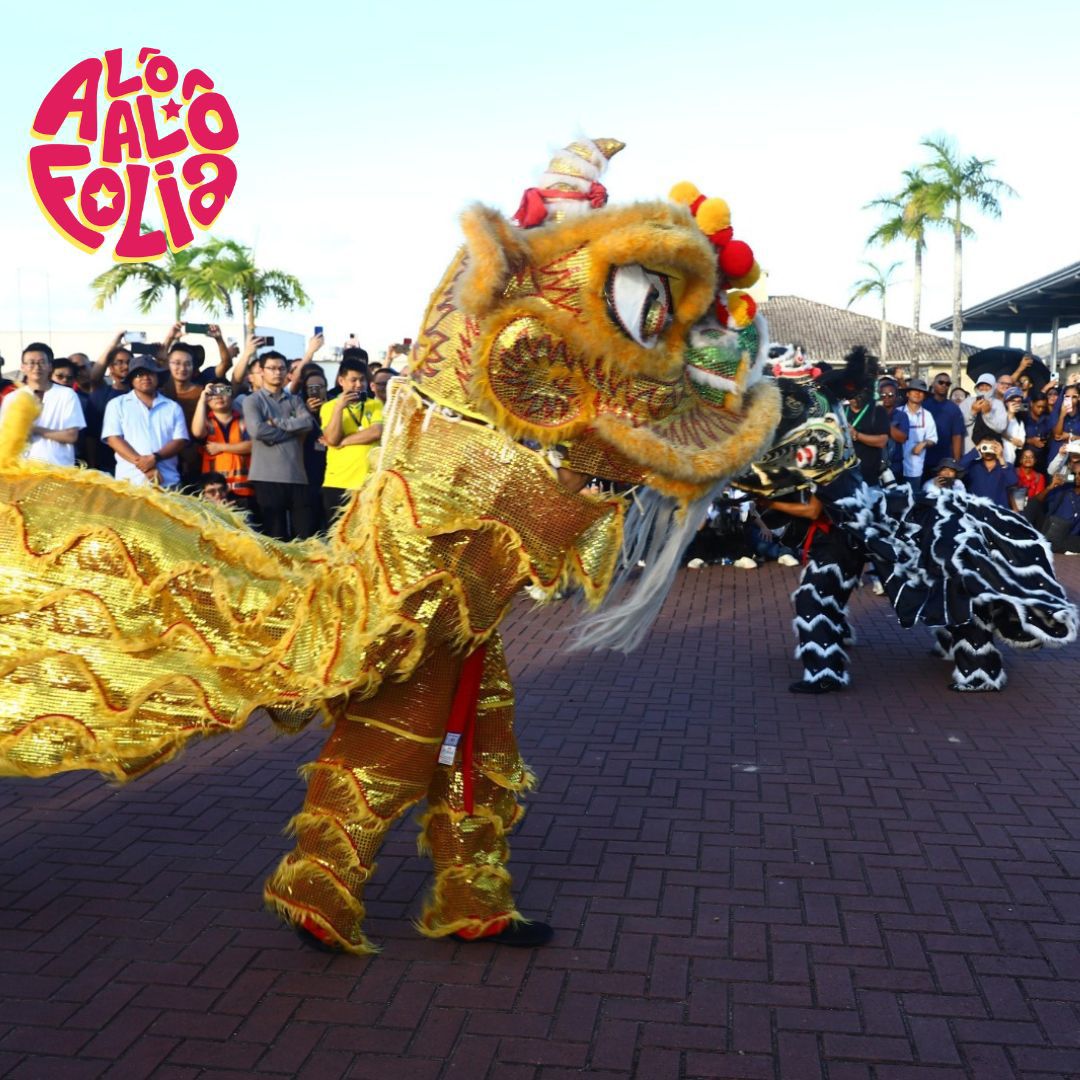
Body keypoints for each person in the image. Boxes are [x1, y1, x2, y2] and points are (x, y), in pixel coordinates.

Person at [242, 351, 315, 541]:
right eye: (272, 368)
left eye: (282, 368)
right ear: (262, 371)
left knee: (305, 536)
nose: (277, 373)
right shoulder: (252, 400)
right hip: (266, 477)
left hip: (297, 476)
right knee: (275, 537)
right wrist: (292, 430)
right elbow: (257, 431)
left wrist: (278, 423)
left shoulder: (295, 400)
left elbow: (307, 423)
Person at [101, 356, 189, 488]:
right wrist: (146, 467)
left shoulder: (172, 407)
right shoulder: (116, 404)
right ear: (131, 379)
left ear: (158, 377)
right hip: (129, 483)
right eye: (138, 374)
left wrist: (155, 458)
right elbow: (114, 439)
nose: (145, 377)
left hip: (168, 481)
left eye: (150, 373)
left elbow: (180, 440)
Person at [319, 357, 384, 523]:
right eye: (353, 380)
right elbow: (332, 438)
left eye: (362, 380)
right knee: (338, 540)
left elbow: (376, 432)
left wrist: (343, 442)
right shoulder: (329, 407)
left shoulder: (374, 405)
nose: (358, 384)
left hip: (367, 483)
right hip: (338, 482)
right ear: (341, 380)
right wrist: (339, 407)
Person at [0, 343, 85, 467]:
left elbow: (71, 436)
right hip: (22, 471)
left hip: (60, 470)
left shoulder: (67, 395)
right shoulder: (12, 398)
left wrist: (34, 429)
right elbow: (5, 435)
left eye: (41, 362)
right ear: (23, 367)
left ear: (50, 366)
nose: (36, 367)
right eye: (31, 363)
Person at [191, 382, 253, 509]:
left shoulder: (244, 421)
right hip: (214, 492)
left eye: (224, 391)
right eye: (213, 393)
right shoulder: (207, 423)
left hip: (243, 490)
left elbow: (253, 446)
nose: (219, 396)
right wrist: (202, 400)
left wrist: (220, 447)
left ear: (232, 395)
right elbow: (197, 432)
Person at [895, 377, 937, 484]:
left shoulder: (927, 415)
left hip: (915, 467)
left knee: (913, 498)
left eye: (921, 392)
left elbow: (933, 439)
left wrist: (923, 444)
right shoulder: (897, 413)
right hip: (895, 466)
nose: (918, 393)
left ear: (925, 396)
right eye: (914, 390)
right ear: (907, 394)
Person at [922, 372, 965, 473]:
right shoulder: (924, 405)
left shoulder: (954, 409)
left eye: (947, 384)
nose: (944, 385)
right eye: (941, 382)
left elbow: (957, 436)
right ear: (933, 384)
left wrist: (956, 461)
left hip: (945, 461)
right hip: (923, 457)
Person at [959, 437, 1018, 510]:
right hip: (976, 510)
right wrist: (976, 449)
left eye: (992, 447)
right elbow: (959, 467)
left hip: (998, 511)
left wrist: (1001, 457)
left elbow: (1012, 481)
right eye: (985, 447)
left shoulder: (1006, 466)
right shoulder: (973, 465)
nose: (988, 450)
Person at [1041, 447, 1080, 555]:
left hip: (1074, 545)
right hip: (1054, 542)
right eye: (1074, 474)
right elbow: (1039, 504)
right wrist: (1051, 487)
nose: (1077, 477)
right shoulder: (1061, 491)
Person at [959, 374, 1007, 452]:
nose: (984, 388)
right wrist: (973, 411)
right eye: (981, 385)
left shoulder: (998, 404)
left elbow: (1001, 427)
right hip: (969, 448)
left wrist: (988, 414)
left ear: (993, 387)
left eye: (987, 385)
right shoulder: (967, 402)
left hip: (991, 450)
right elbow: (958, 424)